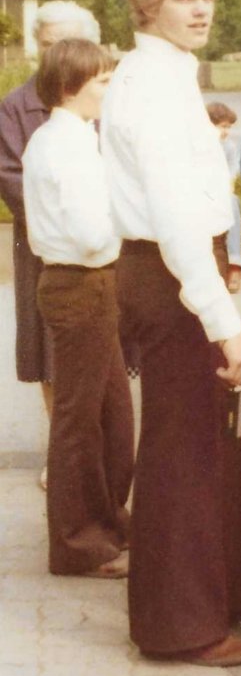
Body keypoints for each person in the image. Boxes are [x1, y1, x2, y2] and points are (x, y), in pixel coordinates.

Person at [101, 0, 241, 667]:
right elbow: (175, 223)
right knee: (181, 449)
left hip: (173, 271)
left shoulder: (161, 74)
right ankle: (180, 627)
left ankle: (220, 589)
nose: (202, 9)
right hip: (171, 275)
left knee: (203, 439)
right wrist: (227, 326)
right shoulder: (155, 87)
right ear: (148, 4)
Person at [23, 39, 133, 579]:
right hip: (80, 282)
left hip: (89, 285)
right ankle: (77, 545)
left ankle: (108, 523)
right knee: (80, 421)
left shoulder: (72, 136)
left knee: (113, 415)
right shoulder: (65, 145)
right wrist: (131, 223)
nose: (111, 91)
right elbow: (91, 234)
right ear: (71, 87)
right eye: (103, 82)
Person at [0, 1, 101, 489]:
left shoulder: (106, 97)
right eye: (45, 45)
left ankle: (99, 452)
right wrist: (61, 219)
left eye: (64, 43)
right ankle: (63, 454)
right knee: (50, 352)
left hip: (106, 248)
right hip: (46, 248)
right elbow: (10, 174)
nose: (53, 54)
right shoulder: (18, 105)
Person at [206, 102, 241, 293]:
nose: (226, 132)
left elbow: (232, 173)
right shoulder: (200, 146)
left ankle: (235, 264)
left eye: (229, 127)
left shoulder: (228, 147)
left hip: (221, 192)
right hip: (203, 192)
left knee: (232, 202)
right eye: (222, 126)